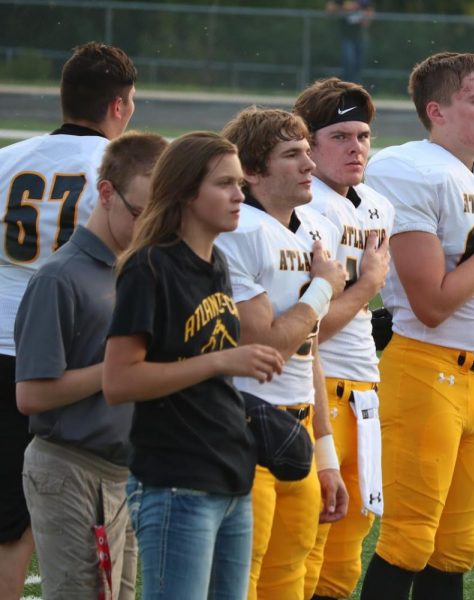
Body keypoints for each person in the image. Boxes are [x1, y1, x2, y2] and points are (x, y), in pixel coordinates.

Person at [358, 52, 474, 600]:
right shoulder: (409, 170)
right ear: (438, 112)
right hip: (426, 368)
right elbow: (431, 303)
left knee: (455, 549)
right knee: (407, 542)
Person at [102, 132, 285, 600]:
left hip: (229, 476)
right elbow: (119, 381)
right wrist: (221, 361)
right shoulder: (149, 267)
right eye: (225, 184)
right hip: (175, 482)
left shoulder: (217, 263)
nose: (240, 195)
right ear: (185, 191)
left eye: (240, 183)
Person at [0, 41, 136, 600]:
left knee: (9, 519)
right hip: (74, 357)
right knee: (75, 518)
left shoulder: (8, 159)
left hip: (5, 340)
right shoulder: (118, 176)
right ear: (121, 105)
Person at [14, 132, 165, 600]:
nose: (148, 228)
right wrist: (121, 368)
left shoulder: (139, 268)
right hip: (72, 469)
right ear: (105, 194)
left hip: (125, 473)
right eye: (141, 213)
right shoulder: (60, 277)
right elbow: (31, 396)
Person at [216, 107, 350, 600]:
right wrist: (321, 291)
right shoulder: (239, 231)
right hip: (246, 432)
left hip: (297, 433)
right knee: (238, 585)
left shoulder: (307, 231)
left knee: (289, 586)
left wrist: (326, 452)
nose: (310, 165)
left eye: (308, 152)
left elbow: (306, 347)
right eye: (292, 155)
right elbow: (267, 343)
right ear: (252, 172)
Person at [293, 78, 394, 600]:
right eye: (340, 136)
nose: (356, 146)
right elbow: (306, 330)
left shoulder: (375, 205)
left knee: (346, 551)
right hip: (321, 389)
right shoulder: (306, 212)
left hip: (365, 394)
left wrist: (368, 315)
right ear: (307, 142)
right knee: (307, 544)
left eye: (363, 135)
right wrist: (369, 287)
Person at [326, 1, 375, 84]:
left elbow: (370, 12)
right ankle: (347, 84)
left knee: (358, 64)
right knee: (349, 61)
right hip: (346, 38)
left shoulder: (362, 2)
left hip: (360, 38)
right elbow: (329, 9)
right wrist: (344, 8)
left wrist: (365, 17)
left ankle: (357, 85)